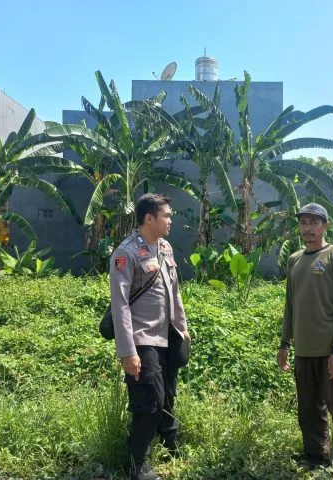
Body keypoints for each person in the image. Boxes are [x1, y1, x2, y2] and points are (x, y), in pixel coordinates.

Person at [110, 193, 190, 480]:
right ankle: (137, 463)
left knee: (168, 393)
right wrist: (127, 351)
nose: (170, 220)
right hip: (142, 339)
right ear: (149, 218)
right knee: (148, 401)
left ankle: (170, 443)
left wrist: (182, 327)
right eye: (166, 215)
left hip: (168, 335)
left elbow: (174, 291)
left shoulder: (165, 248)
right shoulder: (126, 253)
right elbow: (119, 304)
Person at [277, 203, 333, 480]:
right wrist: (284, 343)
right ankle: (316, 458)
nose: (308, 228)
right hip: (303, 352)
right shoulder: (295, 259)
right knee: (309, 411)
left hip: (330, 353)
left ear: (325, 226)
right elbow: (290, 305)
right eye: (303, 222)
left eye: (314, 222)